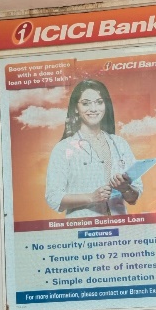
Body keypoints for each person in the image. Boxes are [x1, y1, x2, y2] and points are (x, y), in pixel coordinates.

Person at [45, 79, 141, 217]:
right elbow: (53, 198)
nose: (94, 109)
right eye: (86, 103)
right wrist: (91, 197)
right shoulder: (63, 148)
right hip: (83, 227)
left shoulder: (120, 144)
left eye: (99, 102)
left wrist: (125, 189)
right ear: (76, 108)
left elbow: (133, 198)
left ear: (106, 105)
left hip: (119, 226)